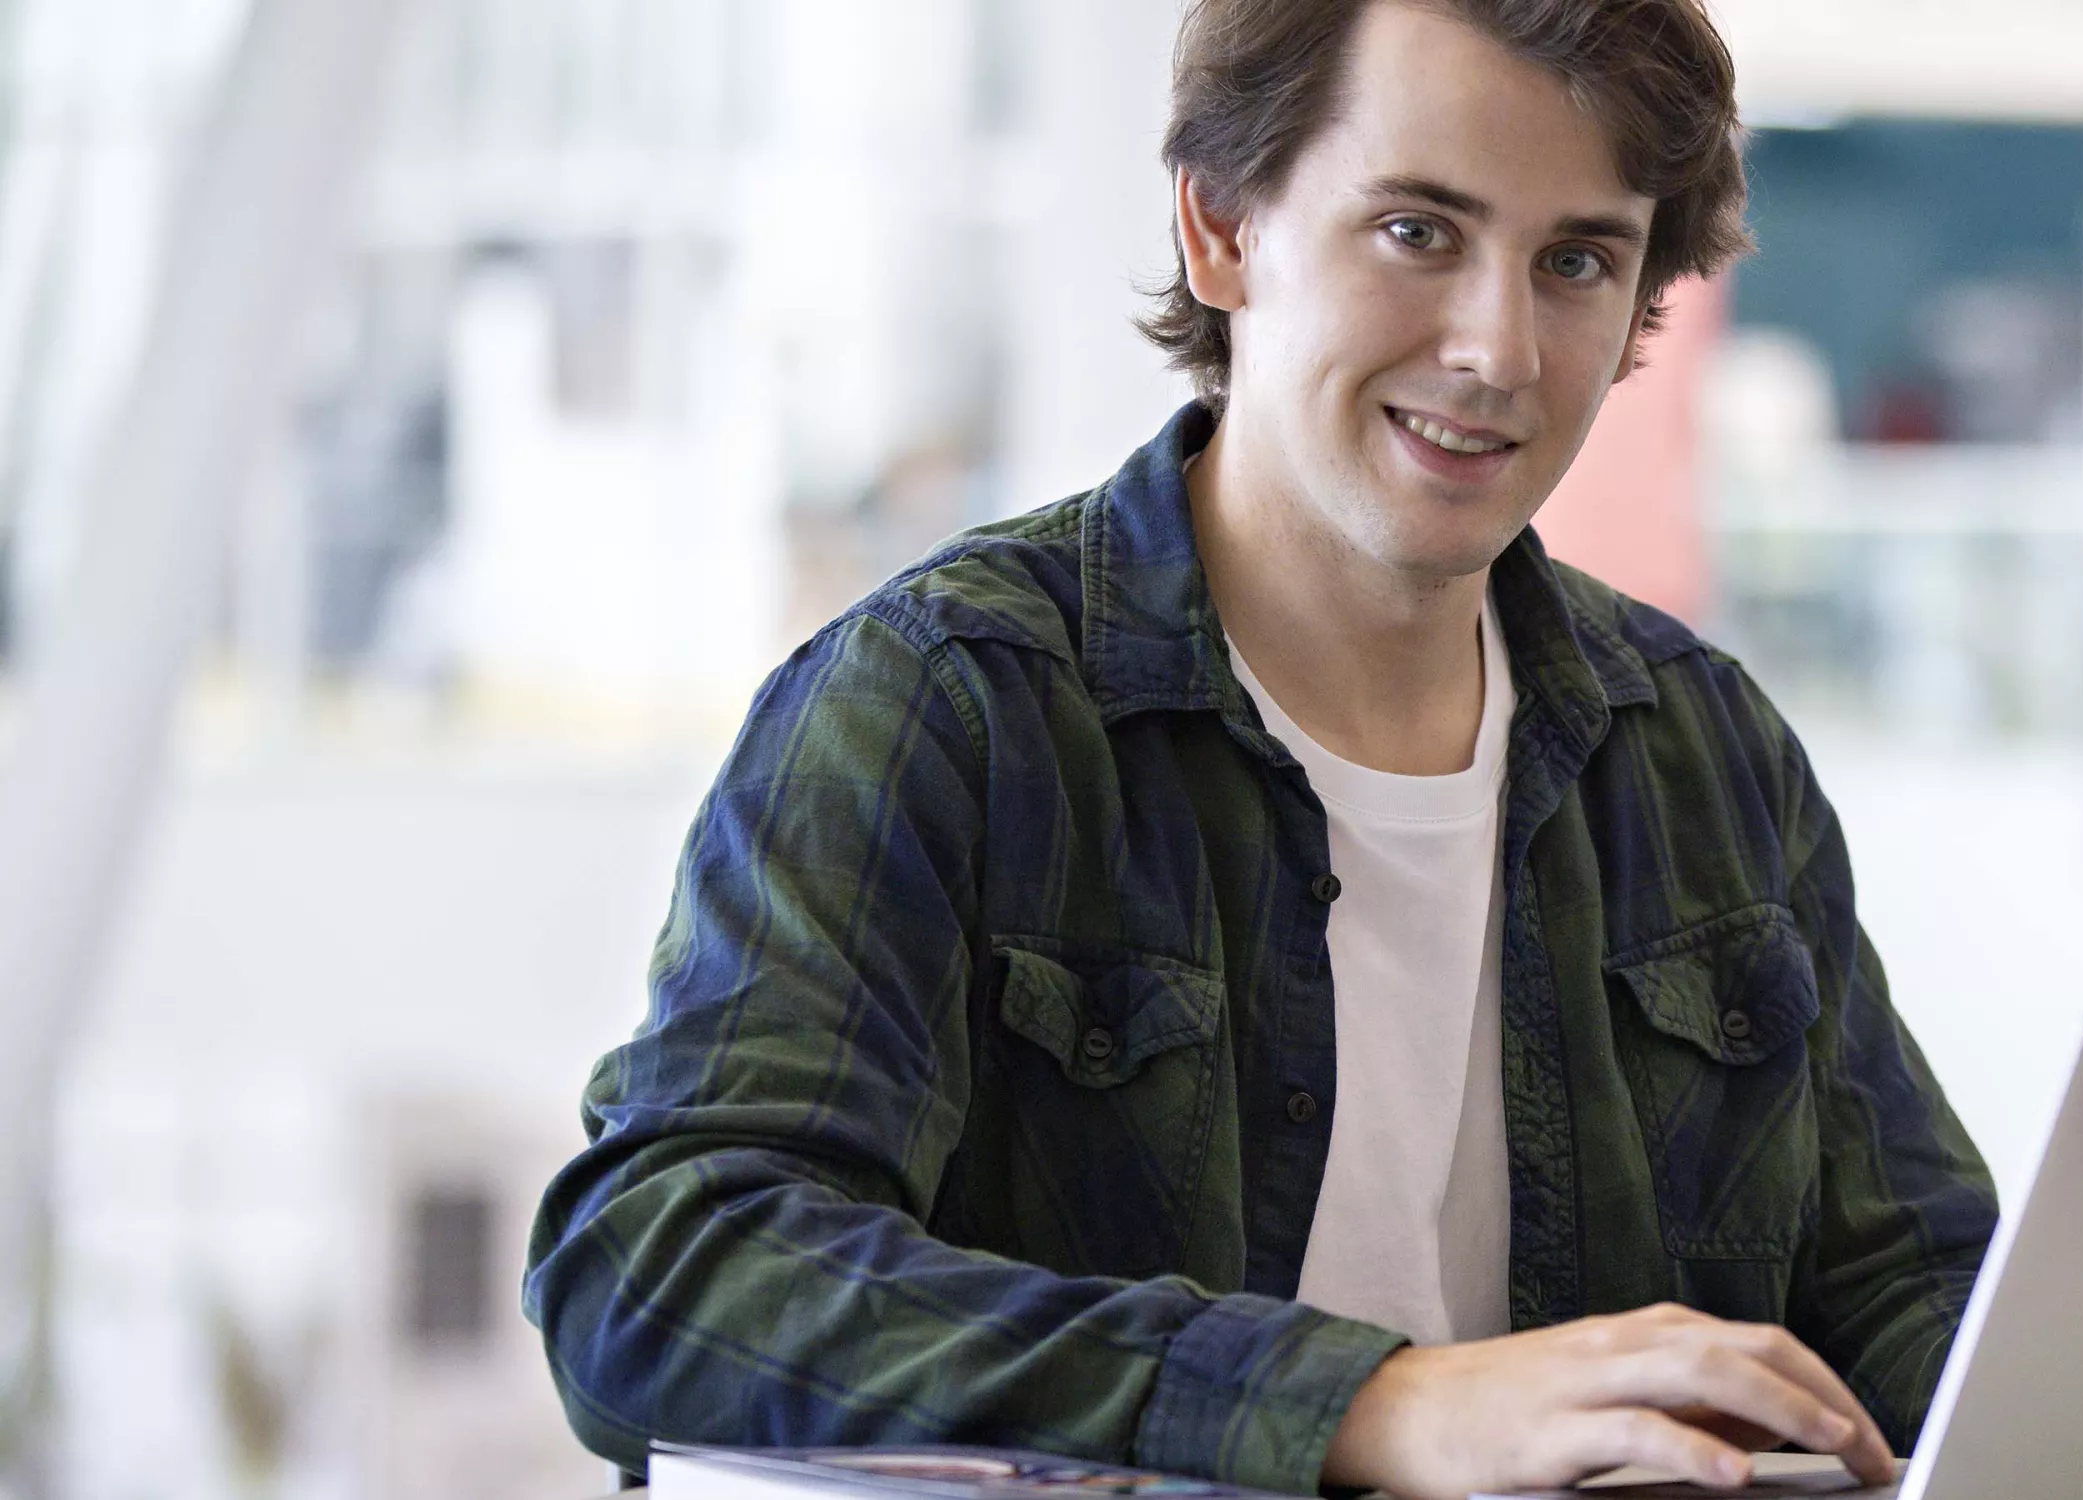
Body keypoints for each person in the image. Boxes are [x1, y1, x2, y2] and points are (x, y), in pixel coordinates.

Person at [522, 3, 1998, 1498]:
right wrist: (1370, 1407)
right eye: (1420, 232)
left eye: (1576, 261)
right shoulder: (952, 705)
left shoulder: (1705, 754)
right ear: (1223, 229)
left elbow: (1922, 1304)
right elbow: (661, 1271)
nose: (1498, 350)